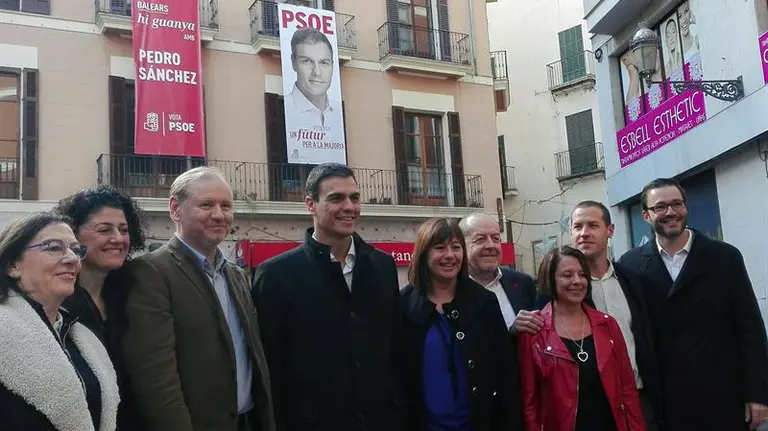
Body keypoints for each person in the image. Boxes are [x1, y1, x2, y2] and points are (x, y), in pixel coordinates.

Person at [252, 163, 406, 431]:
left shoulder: (383, 266)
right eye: (336, 198)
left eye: (354, 198)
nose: (349, 207)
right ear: (310, 204)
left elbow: (394, 351)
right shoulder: (275, 275)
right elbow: (270, 368)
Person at [121, 167, 275, 431]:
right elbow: (156, 381)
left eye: (226, 205)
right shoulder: (150, 273)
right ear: (175, 209)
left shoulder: (236, 275)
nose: (219, 215)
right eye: (206, 205)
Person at [619, 178, 768, 430]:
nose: (670, 212)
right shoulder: (630, 265)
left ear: (686, 208)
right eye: (660, 207)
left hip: (722, 396)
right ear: (646, 215)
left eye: (677, 204)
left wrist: (758, 394)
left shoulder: (725, 257)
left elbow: (750, 328)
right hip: (666, 403)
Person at [400, 217, 523, 431]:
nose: (449, 255)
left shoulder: (484, 302)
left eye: (456, 247)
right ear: (423, 253)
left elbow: (506, 375)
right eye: (439, 248)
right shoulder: (403, 306)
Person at [0, 212, 119, 431]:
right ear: (12, 266)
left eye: (76, 250)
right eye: (53, 248)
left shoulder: (83, 338)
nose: (72, 259)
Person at [518, 245, 645, 431]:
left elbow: (627, 389)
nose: (577, 281)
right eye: (567, 275)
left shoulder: (607, 325)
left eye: (582, 274)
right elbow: (530, 403)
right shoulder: (533, 332)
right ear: (550, 279)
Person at [54, 186, 146, 430]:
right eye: (104, 229)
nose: (118, 238)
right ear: (74, 235)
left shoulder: (132, 293)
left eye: (124, 230)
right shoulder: (56, 300)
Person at [570, 201, 661, 430]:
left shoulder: (634, 281)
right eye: (577, 226)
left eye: (592, 225)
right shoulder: (559, 291)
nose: (584, 233)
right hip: (590, 411)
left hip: (639, 403)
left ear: (610, 230)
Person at [458, 212, 537, 335]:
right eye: (480, 239)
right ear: (461, 245)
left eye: (496, 239)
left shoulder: (523, 283)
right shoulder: (450, 287)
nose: (490, 245)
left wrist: (515, 332)